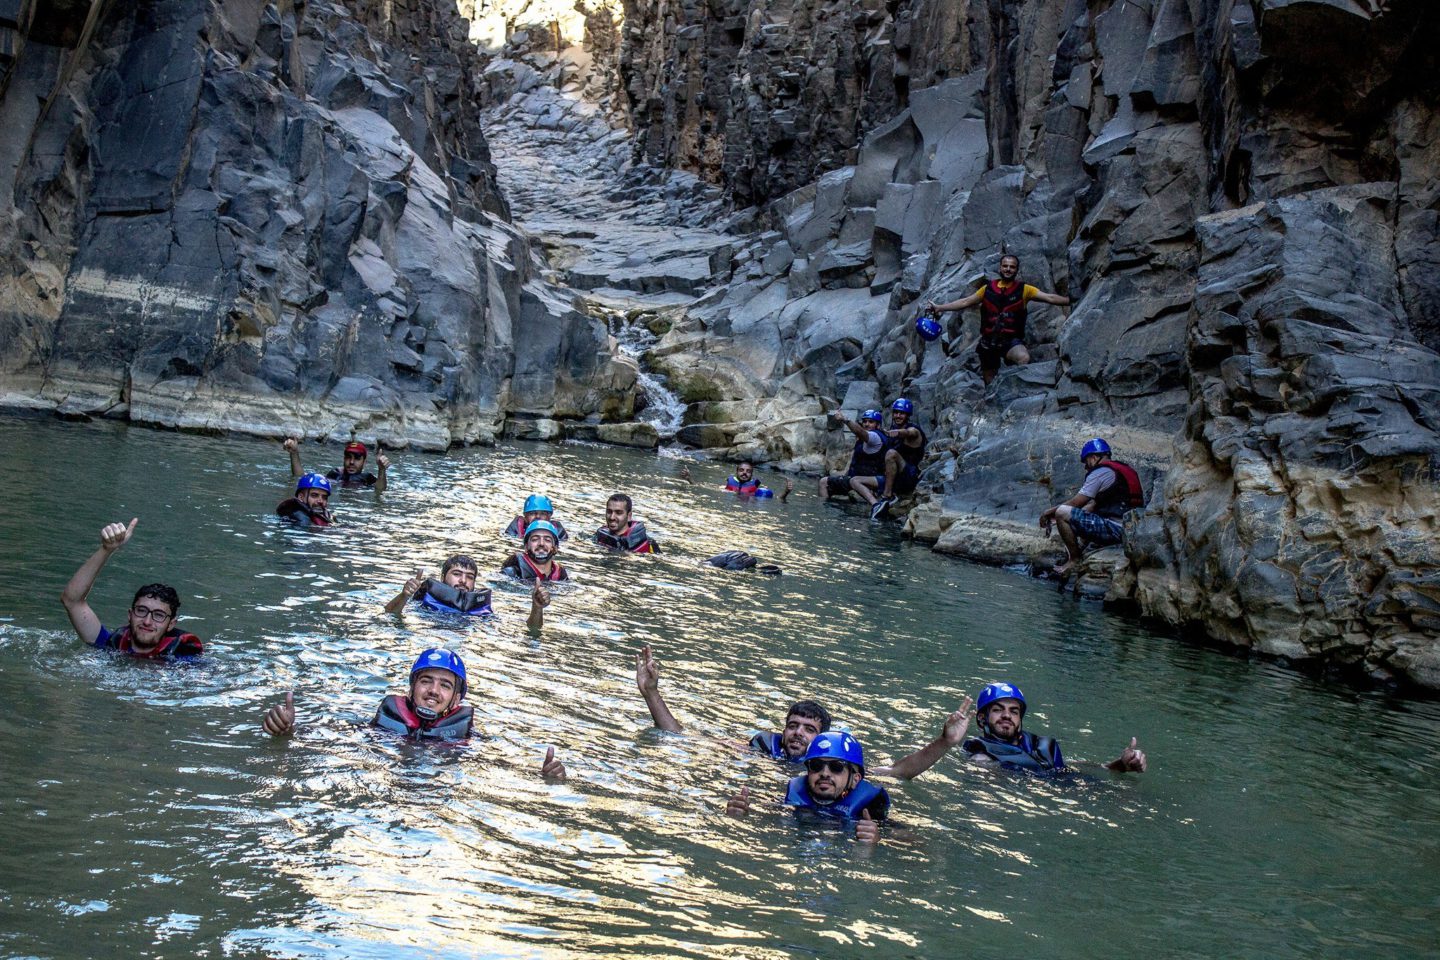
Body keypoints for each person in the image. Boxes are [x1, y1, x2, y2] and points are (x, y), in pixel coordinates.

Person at [635, 646, 971, 777]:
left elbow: (899, 771)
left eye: (809, 729)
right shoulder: (762, 750)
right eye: (793, 725)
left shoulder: (834, 765)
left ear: (822, 738)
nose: (798, 733)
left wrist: (944, 742)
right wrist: (652, 692)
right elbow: (679, 737)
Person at [260, 648, 568, 778]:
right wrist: (289, 730)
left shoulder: (468, 740)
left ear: (457, 699)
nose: (433, 690)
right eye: (426, 680)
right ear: (411, 688)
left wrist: (544, 776)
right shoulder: (381, 723)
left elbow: (500, 764)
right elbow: (334, 737)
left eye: (445, 685)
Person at [60, 519, 203, 659]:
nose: (147, 621)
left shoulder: (185, 661)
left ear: (171, 624)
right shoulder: (110, 645)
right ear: (130, 614)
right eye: (141, 611)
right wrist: (107, 549)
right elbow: (72, 601)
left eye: (158, 615)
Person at [928, 254, 1071, 386]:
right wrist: (940, 307)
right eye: (1005, 266)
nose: (1008, 269)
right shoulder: (987, 289)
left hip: (1010, 341)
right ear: (1000, 268)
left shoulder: (1025, 289)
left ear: (1016, 270)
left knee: (1023, 358)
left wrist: (1070, 301)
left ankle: (1018, 388)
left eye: (1012, 267)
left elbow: (1049, 297)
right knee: (989, 381)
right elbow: (965, 302)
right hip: (988, 342)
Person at [725, 732, 888, 843]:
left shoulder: (870, 811)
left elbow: (906, 841)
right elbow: (763, 822)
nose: (824, 773)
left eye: (836, 767)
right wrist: (737, 815)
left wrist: (876, 840)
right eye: (816, 765)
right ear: (808, 771)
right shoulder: (791, 800)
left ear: (855, 779)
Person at [962, 682, 1146, 774]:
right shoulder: (981, 757)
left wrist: (1122, 764)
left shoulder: (1036, 746)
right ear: (982, 718)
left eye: (1014, 711)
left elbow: (1069, 768)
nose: (1007, 716)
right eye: (998, 710)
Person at [1039, 437, 1145, 577]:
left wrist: (1048, 513)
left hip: (1116, 530)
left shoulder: (1100, 472)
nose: (1086, 467)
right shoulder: (1125, 470)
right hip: (1131, 530)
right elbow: (1093, 506)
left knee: (1062, 512)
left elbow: (1076, 503)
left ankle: (1074, 560)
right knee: (1080, 514)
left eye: (1086, 462)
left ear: (1094, 457)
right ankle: (1077, 553)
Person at [386, 554, 552, 630]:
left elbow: (531, 629)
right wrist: (404, 596)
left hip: (469, 633)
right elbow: (390, 614)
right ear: (443, 577)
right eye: (456, 574)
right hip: (430, 630)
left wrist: (537, 607)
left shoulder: (482, 610)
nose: (463, 581)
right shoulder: (423, 600)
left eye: (469, 577)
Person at [854, 398, 928, 520]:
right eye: (896, 412)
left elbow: (910, 432)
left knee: (891, 453)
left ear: (907, 415)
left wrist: (898, 432)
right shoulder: (890, 430)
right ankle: (877, 505)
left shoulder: (913, 430)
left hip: (908, 476)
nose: (898, 416)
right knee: (855, 481)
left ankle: (887, 496)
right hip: (892, 479)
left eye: (902, 413)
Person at [819, 409, 890, 513]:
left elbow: (859, 431)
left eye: (871, 422)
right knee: (823, 481)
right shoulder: (862, 440)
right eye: (865, 421)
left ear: (878, 425)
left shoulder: (875, 437)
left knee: (854, 481)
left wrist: (845, 419)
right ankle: (823, 512)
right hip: (855, 478)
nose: (867, 424)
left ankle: (876, 505)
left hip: (872, 480)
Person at [283, 437, 389, 492]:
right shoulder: (335, 474)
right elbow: (300, 477)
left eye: (357, 458)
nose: (351, 462)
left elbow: (380, 490)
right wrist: (294, 453)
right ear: (344, 458)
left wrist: (381, 470)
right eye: (348, 457)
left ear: (364, 462)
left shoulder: (367, 478)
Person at [680, 462, 794, 501]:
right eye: (742, 470)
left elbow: (778, 499)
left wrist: (786, 492)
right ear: (737, 472)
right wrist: (690, 478)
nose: (744, 473)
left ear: (752, 475)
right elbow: (701, 487)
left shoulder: (756, 492)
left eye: (748, 471)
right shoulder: (727, 488)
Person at [501, 520, 569, 582]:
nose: (541, 543)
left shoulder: (561, 577)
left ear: (555, 548)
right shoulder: (510, 574)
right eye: (535, 539)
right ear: (526, 547)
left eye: (547, 540)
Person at [594, 493, 660, 553]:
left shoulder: (648, 544)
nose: (612, 517)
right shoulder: (600, 534)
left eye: (618, 513)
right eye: (609, 512)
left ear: (629, 516)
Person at [504, 494, 570, 541]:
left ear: (549, 516)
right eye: (532, 513)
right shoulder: (515, 528)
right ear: (525, 516)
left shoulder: (558, 530)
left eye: (543, 513)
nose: (538, 516)